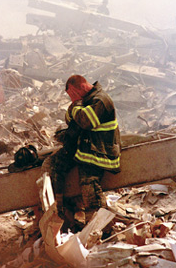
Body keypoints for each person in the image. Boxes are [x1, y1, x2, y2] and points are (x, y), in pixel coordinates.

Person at [41, 75, 121, 224]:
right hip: (84, 150)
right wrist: (75, 108)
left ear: (82, 87)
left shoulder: (101, 100)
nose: (72, 99)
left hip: (100, 152)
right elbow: (70, 118)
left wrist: (76, 107)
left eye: (72, 94)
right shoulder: (85, 101)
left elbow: (85, 121)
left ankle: (99, 228)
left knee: (89, 186)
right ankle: (59, 214)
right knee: (51, 165)